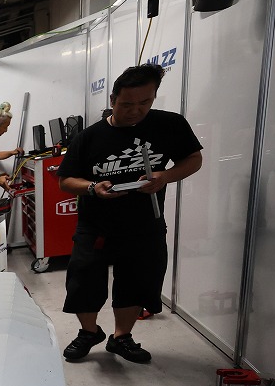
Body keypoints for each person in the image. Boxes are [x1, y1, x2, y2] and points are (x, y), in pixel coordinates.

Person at [57, 63, 203, 364]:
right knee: (83, 281)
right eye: (126, 104)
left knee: (137, 281)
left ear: (153, 97)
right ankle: (89, 332)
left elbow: (193, 159)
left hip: (144, 223)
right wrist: (92, 187)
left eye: (144, 103)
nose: (135, 111)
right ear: (112, 100)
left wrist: (165, 176)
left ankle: (121, 337)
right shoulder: (89, 137)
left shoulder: (169, 125)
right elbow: (66, 180)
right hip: (96, 225)